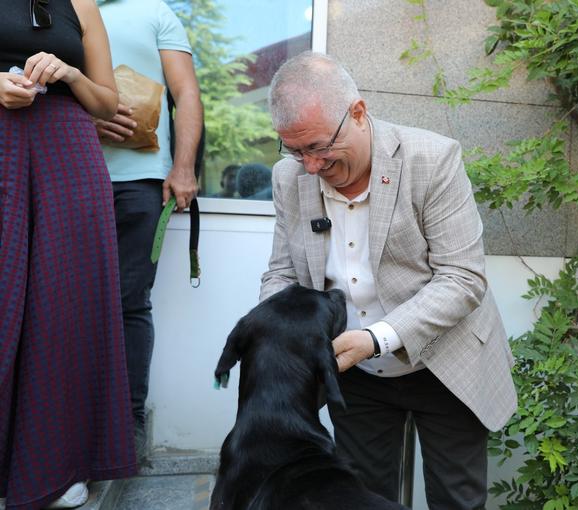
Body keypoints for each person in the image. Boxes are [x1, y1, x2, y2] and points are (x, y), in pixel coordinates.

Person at [260, 51, 517, 510]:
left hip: (446, 360)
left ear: (358, 112)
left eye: (318, 147)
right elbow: (282, 273)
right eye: (295, 151)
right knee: (362, 499)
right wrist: (278, 336)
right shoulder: (288, 178)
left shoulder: (431, 159)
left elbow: (462, 277)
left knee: (457, 500)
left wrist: (376, 338)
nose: (311, 166)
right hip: (354, 372)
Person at [0, 1, 137, 509]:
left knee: (66, 304)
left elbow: (107, 102)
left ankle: (53, 468)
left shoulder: (81, 4)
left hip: (67, 146)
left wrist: (71, 74)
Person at [93, 0, 202, 462]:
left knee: (130, 302)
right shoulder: (58, 9)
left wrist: (183, 167)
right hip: (70, 174)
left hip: (140, 182)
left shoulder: (155, 11)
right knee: (63, 302)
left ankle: (128, 422)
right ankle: (70, 420)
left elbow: (187, 93)